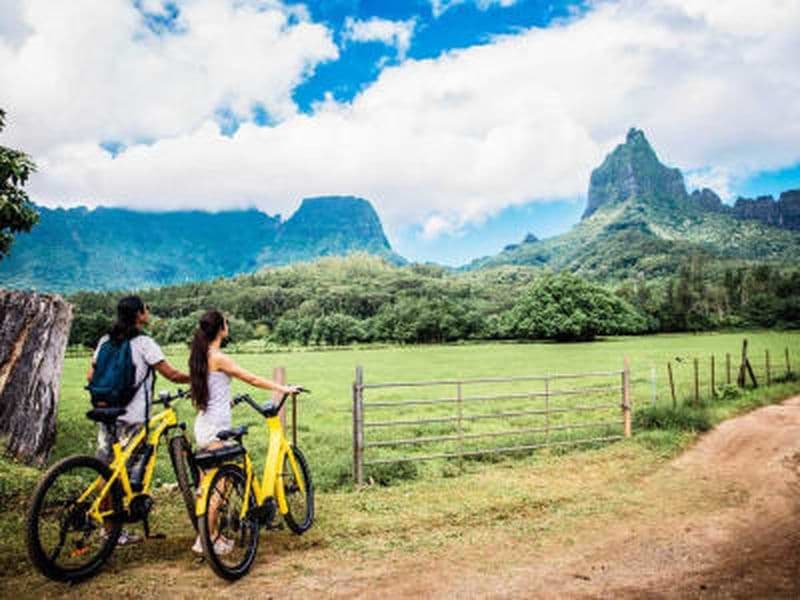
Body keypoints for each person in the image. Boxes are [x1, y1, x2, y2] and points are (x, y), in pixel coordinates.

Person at [188, 309, 298, 554]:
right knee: (220, 485)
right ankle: (207, 539)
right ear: (221, 329)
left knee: (208, 484)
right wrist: (283, 388)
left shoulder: (199, 355)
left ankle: (205, 536)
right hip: (216, 427)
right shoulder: (218, 356)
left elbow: (210, 390)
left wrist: (228, 401)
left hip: (205, 423)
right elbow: (253, 379)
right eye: (226, 323)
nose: (229, 326)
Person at [87, 295, 190, 545]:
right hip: (132, 418)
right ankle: (114, 532)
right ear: (139, 315)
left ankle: (108, 529)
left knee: (106, 470)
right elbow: (172, 374)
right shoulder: (144, 343)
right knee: (126, 476)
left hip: (107, 413)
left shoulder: (104, 340)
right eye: (146, 308)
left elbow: (91, 376)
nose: (148, 311)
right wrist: (196, 379)